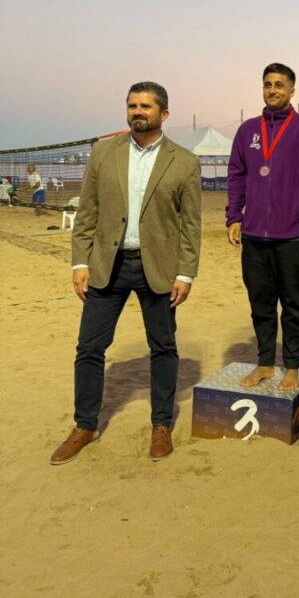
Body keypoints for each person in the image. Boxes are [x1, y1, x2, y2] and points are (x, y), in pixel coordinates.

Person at [50, 82, 202, 465]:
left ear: (163, 114)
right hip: (108, 265)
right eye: (132, 105)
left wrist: (186, 273)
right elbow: (87, 213)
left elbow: (191, 226)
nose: (138, 111)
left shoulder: (184, 161)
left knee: (163, 348)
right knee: (89, 348)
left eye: (146, 106)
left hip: (160, 269)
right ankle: (84, 426)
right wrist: (80, 262)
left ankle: (161, 425)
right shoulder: (103, 153)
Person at [226, 64, 299, 392]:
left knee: (293, 305)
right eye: (268, 85)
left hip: (292, 235)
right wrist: (234, 217)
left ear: (292, 91)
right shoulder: (247, 131)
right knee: (260, 305)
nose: (273, 90)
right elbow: (236, 176)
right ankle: (265, 363)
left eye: (279, 85)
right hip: (254, 234)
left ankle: (292, 367)